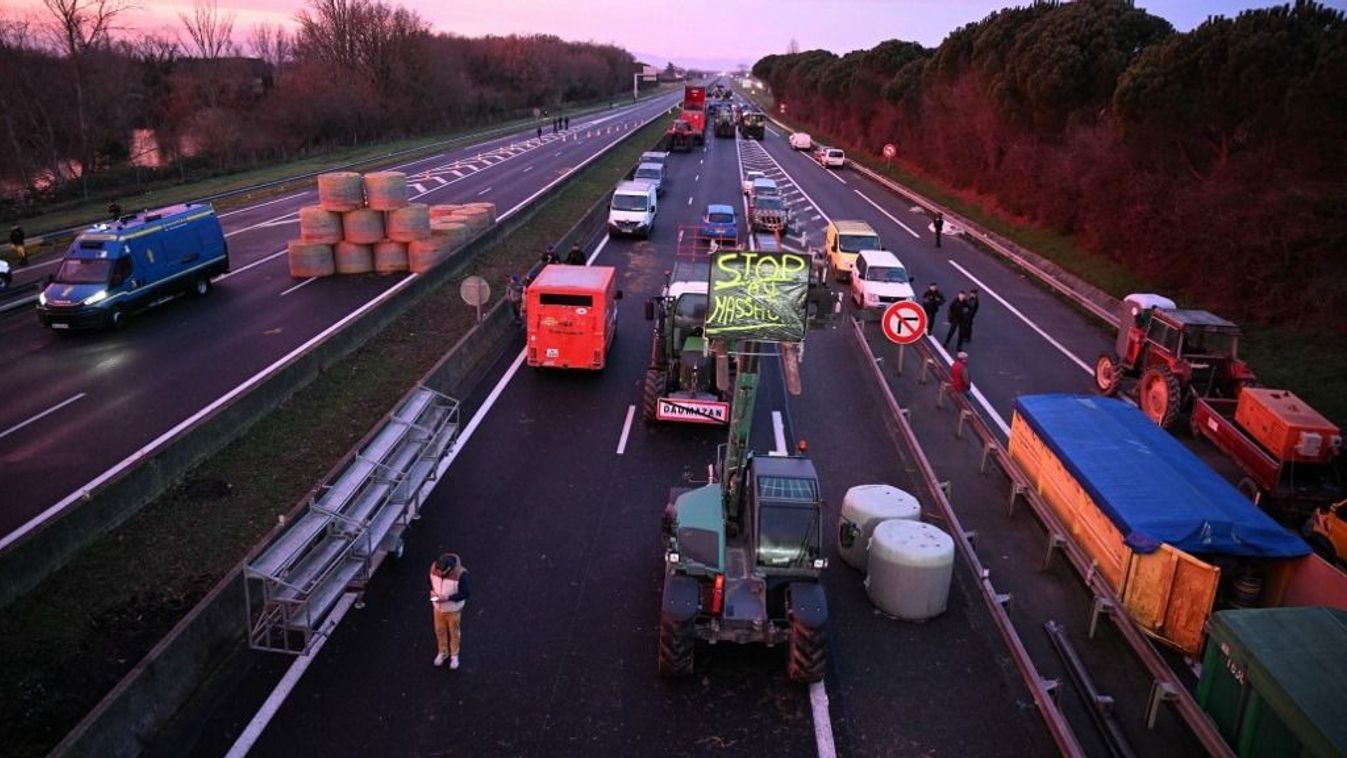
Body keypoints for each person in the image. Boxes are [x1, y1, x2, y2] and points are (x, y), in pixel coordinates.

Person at [429, 553, 471, 669]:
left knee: (454, 633)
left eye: (440, 573)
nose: (437, 574)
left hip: (453, 610)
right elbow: (430, 582)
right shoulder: (434, 568)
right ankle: (443, 652)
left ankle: (454, 655)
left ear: (448, 570)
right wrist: (432, 591)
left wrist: (448, 598)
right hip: (437, 608)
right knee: (439, 631)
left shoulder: (461, 575)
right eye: (436, 571)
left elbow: (465, 593)